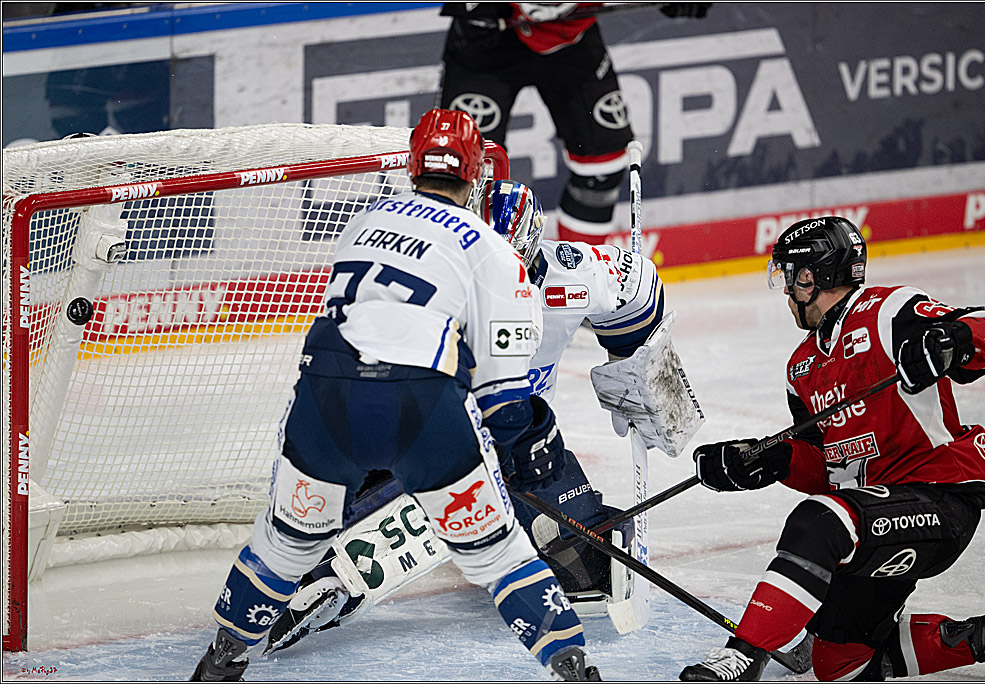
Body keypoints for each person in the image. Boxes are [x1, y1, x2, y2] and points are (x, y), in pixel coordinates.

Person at [190, 109, 600, 682]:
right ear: (475, 172)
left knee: (285, 540)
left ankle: (222, 657)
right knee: (500, 558)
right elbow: (503, 404)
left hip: (323, 401)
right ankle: (572, 667)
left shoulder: (362, 224)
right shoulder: (490, 250)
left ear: (412, 165)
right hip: (419, 412)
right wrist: (514, 453)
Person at [261, 178, 703, 656]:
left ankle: (453, 532)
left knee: (589, 564)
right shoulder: (429, 285)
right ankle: (331, 568)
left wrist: (635, 363)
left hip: (518, 437)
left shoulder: (575, 274)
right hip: (419, 428)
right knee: (330, 511)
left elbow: (639, 294)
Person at [679, 216, 985, 681]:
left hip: (941, 498)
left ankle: (742, 655)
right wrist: (768, 461)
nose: (784, 291)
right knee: (837, 664)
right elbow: (827, 469)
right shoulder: (800, 368)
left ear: (811, 276)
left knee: (818, 520)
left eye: (789, 276)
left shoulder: (888, 310)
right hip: (873, 519)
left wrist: (951, 341)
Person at [437, 2, 712, 244]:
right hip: (486, 39)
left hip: (571, 36)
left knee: (603, 166)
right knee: (457, 168)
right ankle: (470, 278)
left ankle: (579, 276)